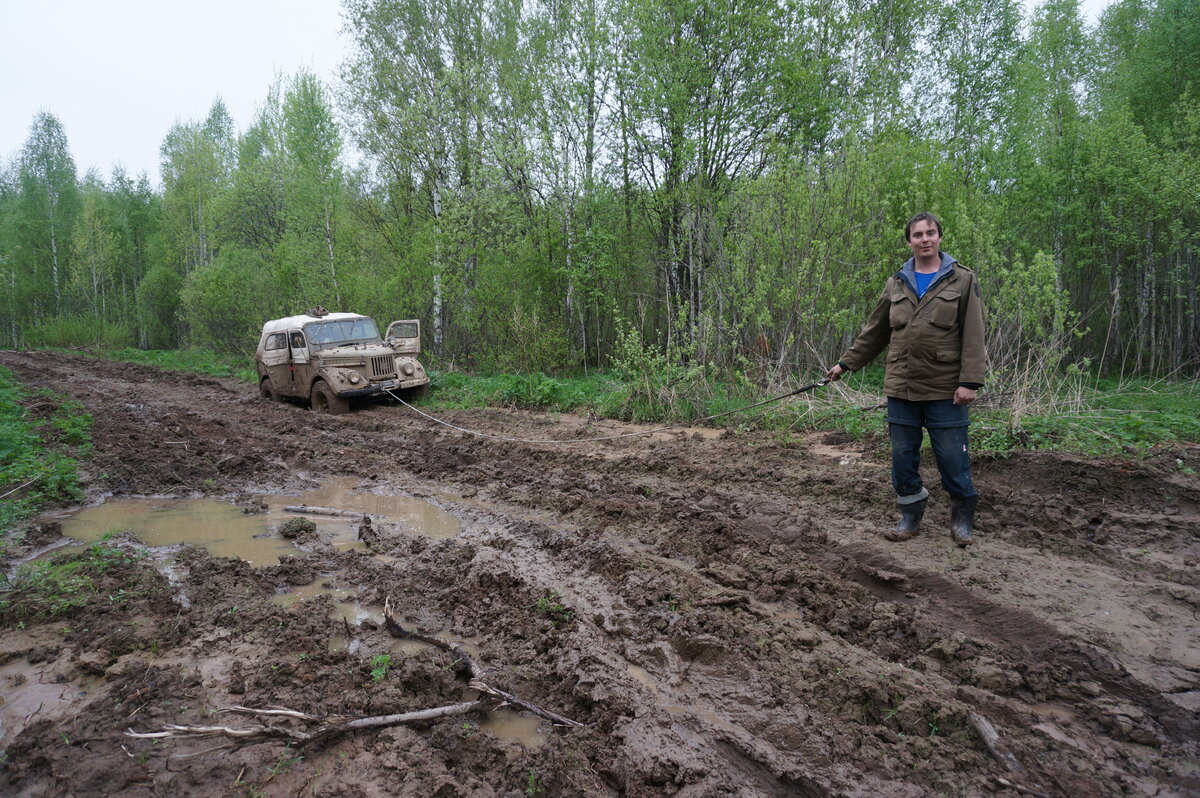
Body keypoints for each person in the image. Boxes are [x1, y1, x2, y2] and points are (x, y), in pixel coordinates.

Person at [826, 213, 986, 547]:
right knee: (902, 458)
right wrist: (845, 364)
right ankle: (910, 515)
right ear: (909, 241)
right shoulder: (896, 282)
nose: (925, 239)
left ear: (940, 237)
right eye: (918, 235)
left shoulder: (962, 279)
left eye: (931, 233)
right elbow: (875, 332)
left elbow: (974, 334)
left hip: (945, 388)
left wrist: (969, 381)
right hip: (901, 387)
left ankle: (962, 520)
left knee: (952, 458)